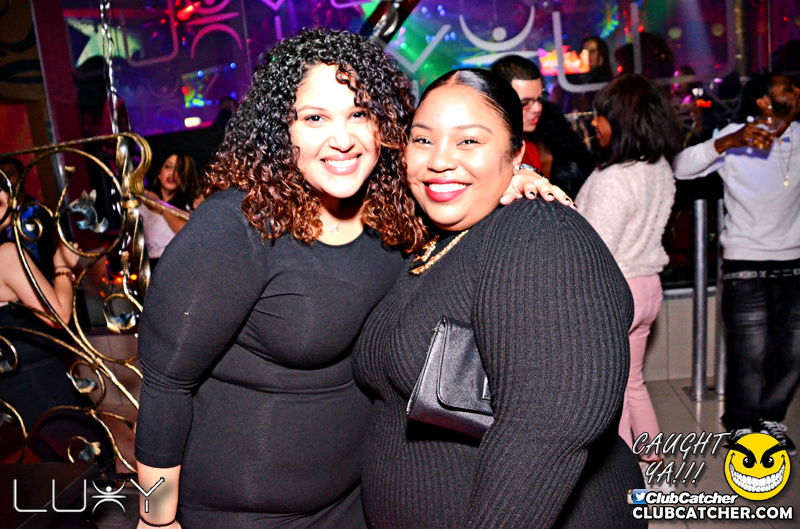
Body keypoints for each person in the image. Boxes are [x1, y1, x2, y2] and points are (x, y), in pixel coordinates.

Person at [133, 30, 565, 529]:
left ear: (384, 122)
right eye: (315, 118)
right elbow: (166, 384)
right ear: (282, 128)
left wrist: (513, 177)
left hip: (359, 502)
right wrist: (156, 518)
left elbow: (464, 196)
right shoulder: (237, 226)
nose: (342, 139)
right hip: (244, 514)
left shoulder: (398, 213)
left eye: (359, 114)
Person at [353, 68, 643, 529]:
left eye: (469, 141)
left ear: (516, 153)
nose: (439, 160)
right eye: (423, 140)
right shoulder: (439, 234)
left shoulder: (540, 232)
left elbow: (549, 430)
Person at [673, 73, 800, 455]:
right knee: (749, 352)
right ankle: (743, 425)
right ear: (763, 101)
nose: (796, 91)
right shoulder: (734, 136)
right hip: (745, 261)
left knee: (794, 351)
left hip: (794, 261)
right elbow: (680, 167)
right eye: (788, 87)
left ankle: (772, 417)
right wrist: (728, 142)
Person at [575, 74, 681, 461]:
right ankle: (655, 466)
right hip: (648, 287)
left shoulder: (614, 178)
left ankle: (620, 477)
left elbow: (595, 251)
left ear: (619, 119)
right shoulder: (659, 167)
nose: (594, 123)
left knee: (611, 394)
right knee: (633, 383)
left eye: (600, 115)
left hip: (615, 293)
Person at [491, 55, 595, 198]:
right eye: (525, 103)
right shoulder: (484, 149)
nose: (537, 108)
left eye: (539, 99)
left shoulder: (530, 146)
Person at [139, 152, 199, 269]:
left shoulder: (191, 206)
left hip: (181, 267)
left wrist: (161, 207)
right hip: (149, 268)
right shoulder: (143, 201)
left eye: (179, 170)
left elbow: (189, 233)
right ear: (159, 172)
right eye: (168, 167)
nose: (172, 173)